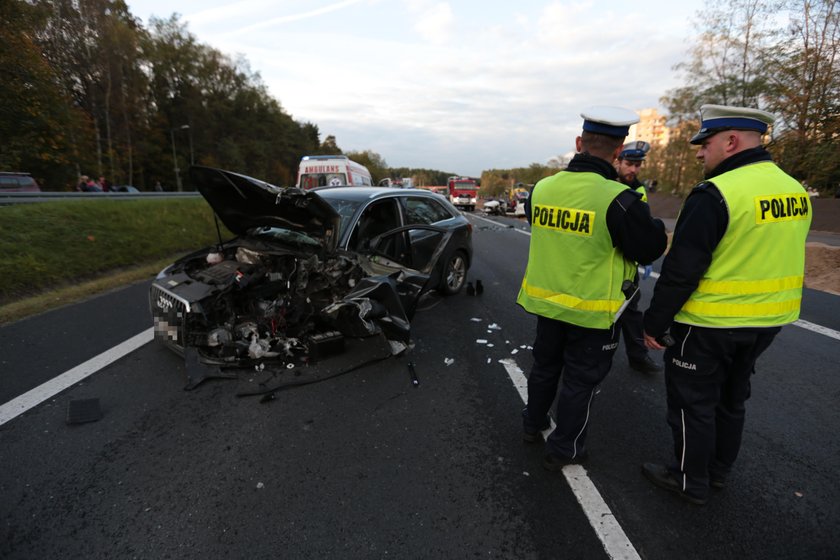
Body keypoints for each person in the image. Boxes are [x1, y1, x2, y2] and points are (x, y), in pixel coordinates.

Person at [641, 104, 812, 505]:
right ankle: (718, 472)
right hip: (767, 322)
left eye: (705, 143)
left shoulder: (715, 193)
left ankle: (688, 479)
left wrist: (654, 323)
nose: (700, 153)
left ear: (730, 141)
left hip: (709, 325)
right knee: (732, 401)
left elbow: (682, 270)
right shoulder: (793, 190)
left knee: (692, 404)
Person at [517, 106, 667, 470]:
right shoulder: (618, 199)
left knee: (544, 369)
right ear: (618, 151)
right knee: (580, 383)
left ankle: (531, 425)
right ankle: (565, 449)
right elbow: (650, 248)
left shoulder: (541, 190)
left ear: (579, 143)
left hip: (547, 304)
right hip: (592, 314)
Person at [615, 140, 662, 374]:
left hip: (627, 264)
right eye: (629, 164)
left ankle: (638, 356)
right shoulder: (606, 185)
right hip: (603, 263)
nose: (633, 170)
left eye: (637, 165)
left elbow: (642, 226)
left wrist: (645, 254)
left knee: (632, 312)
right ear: (618, 162)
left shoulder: (639, 189)